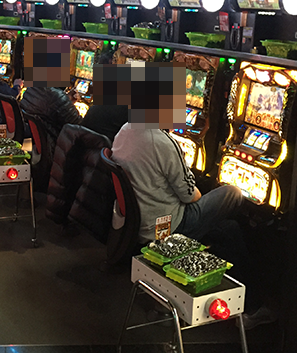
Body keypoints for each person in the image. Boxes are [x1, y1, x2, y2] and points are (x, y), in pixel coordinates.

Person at [110, 63, 275, 329]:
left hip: (137, 222)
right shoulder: (162, 142)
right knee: (233, 193)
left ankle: (247, 302)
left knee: (230, 230)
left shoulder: (125, 130)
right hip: (168, 226)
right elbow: (192, 197)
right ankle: (254, 302)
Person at [20, 87, 82, 157]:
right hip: (54, 147)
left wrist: (67, 100)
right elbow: (79, 126)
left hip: (34, 142)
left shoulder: (32, 88)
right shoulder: (56, 97)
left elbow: (54, 107)